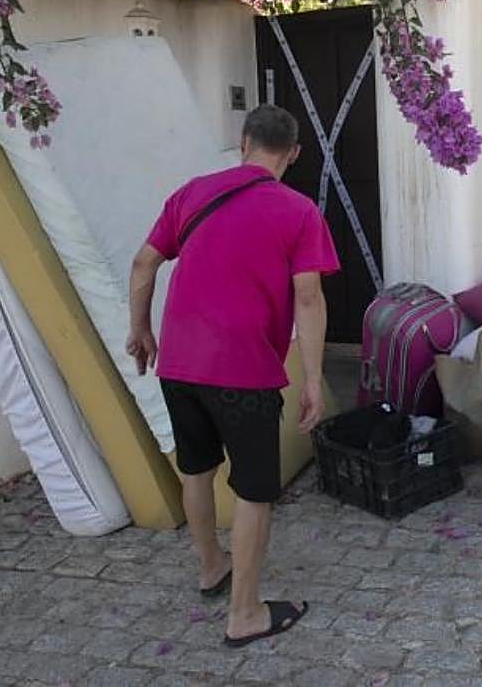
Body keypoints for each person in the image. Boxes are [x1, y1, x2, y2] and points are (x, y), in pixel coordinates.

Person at [125, 104, 339, 647]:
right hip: (244, 370)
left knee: (196, 470)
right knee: (253, 491)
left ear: (243, 143)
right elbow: (308, 297)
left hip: (179, 362)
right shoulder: (298, 211)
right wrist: (313, 379)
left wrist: (140, 329)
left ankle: (210, 567)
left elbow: (144, 263)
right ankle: (245, 614)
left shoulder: (191, 194)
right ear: (293, 154)